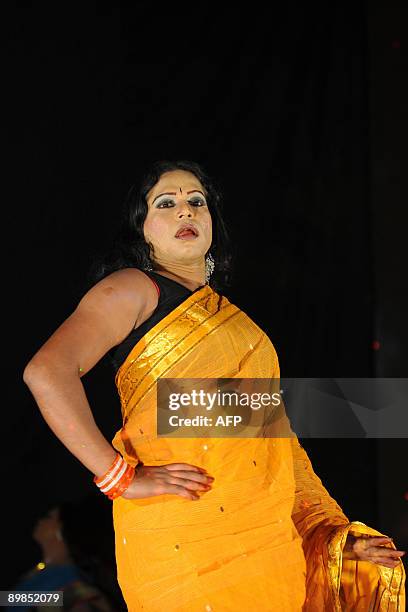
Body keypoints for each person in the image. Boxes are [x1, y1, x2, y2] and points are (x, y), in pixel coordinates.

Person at [23, 160, 406, 611]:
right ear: (141, 229)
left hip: (268, 545)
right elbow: (47, 372)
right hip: (184, 540)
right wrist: (119, 477)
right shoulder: (134, 289)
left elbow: (275, 445)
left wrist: (331, 540)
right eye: (166, 203)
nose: (186, 211)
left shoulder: (233, 320)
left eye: (196, 202)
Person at [9, 500, 123, 611]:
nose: (40, 521)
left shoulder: (73, 590)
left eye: (48, 517)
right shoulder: (45, 576)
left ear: (61, 532)